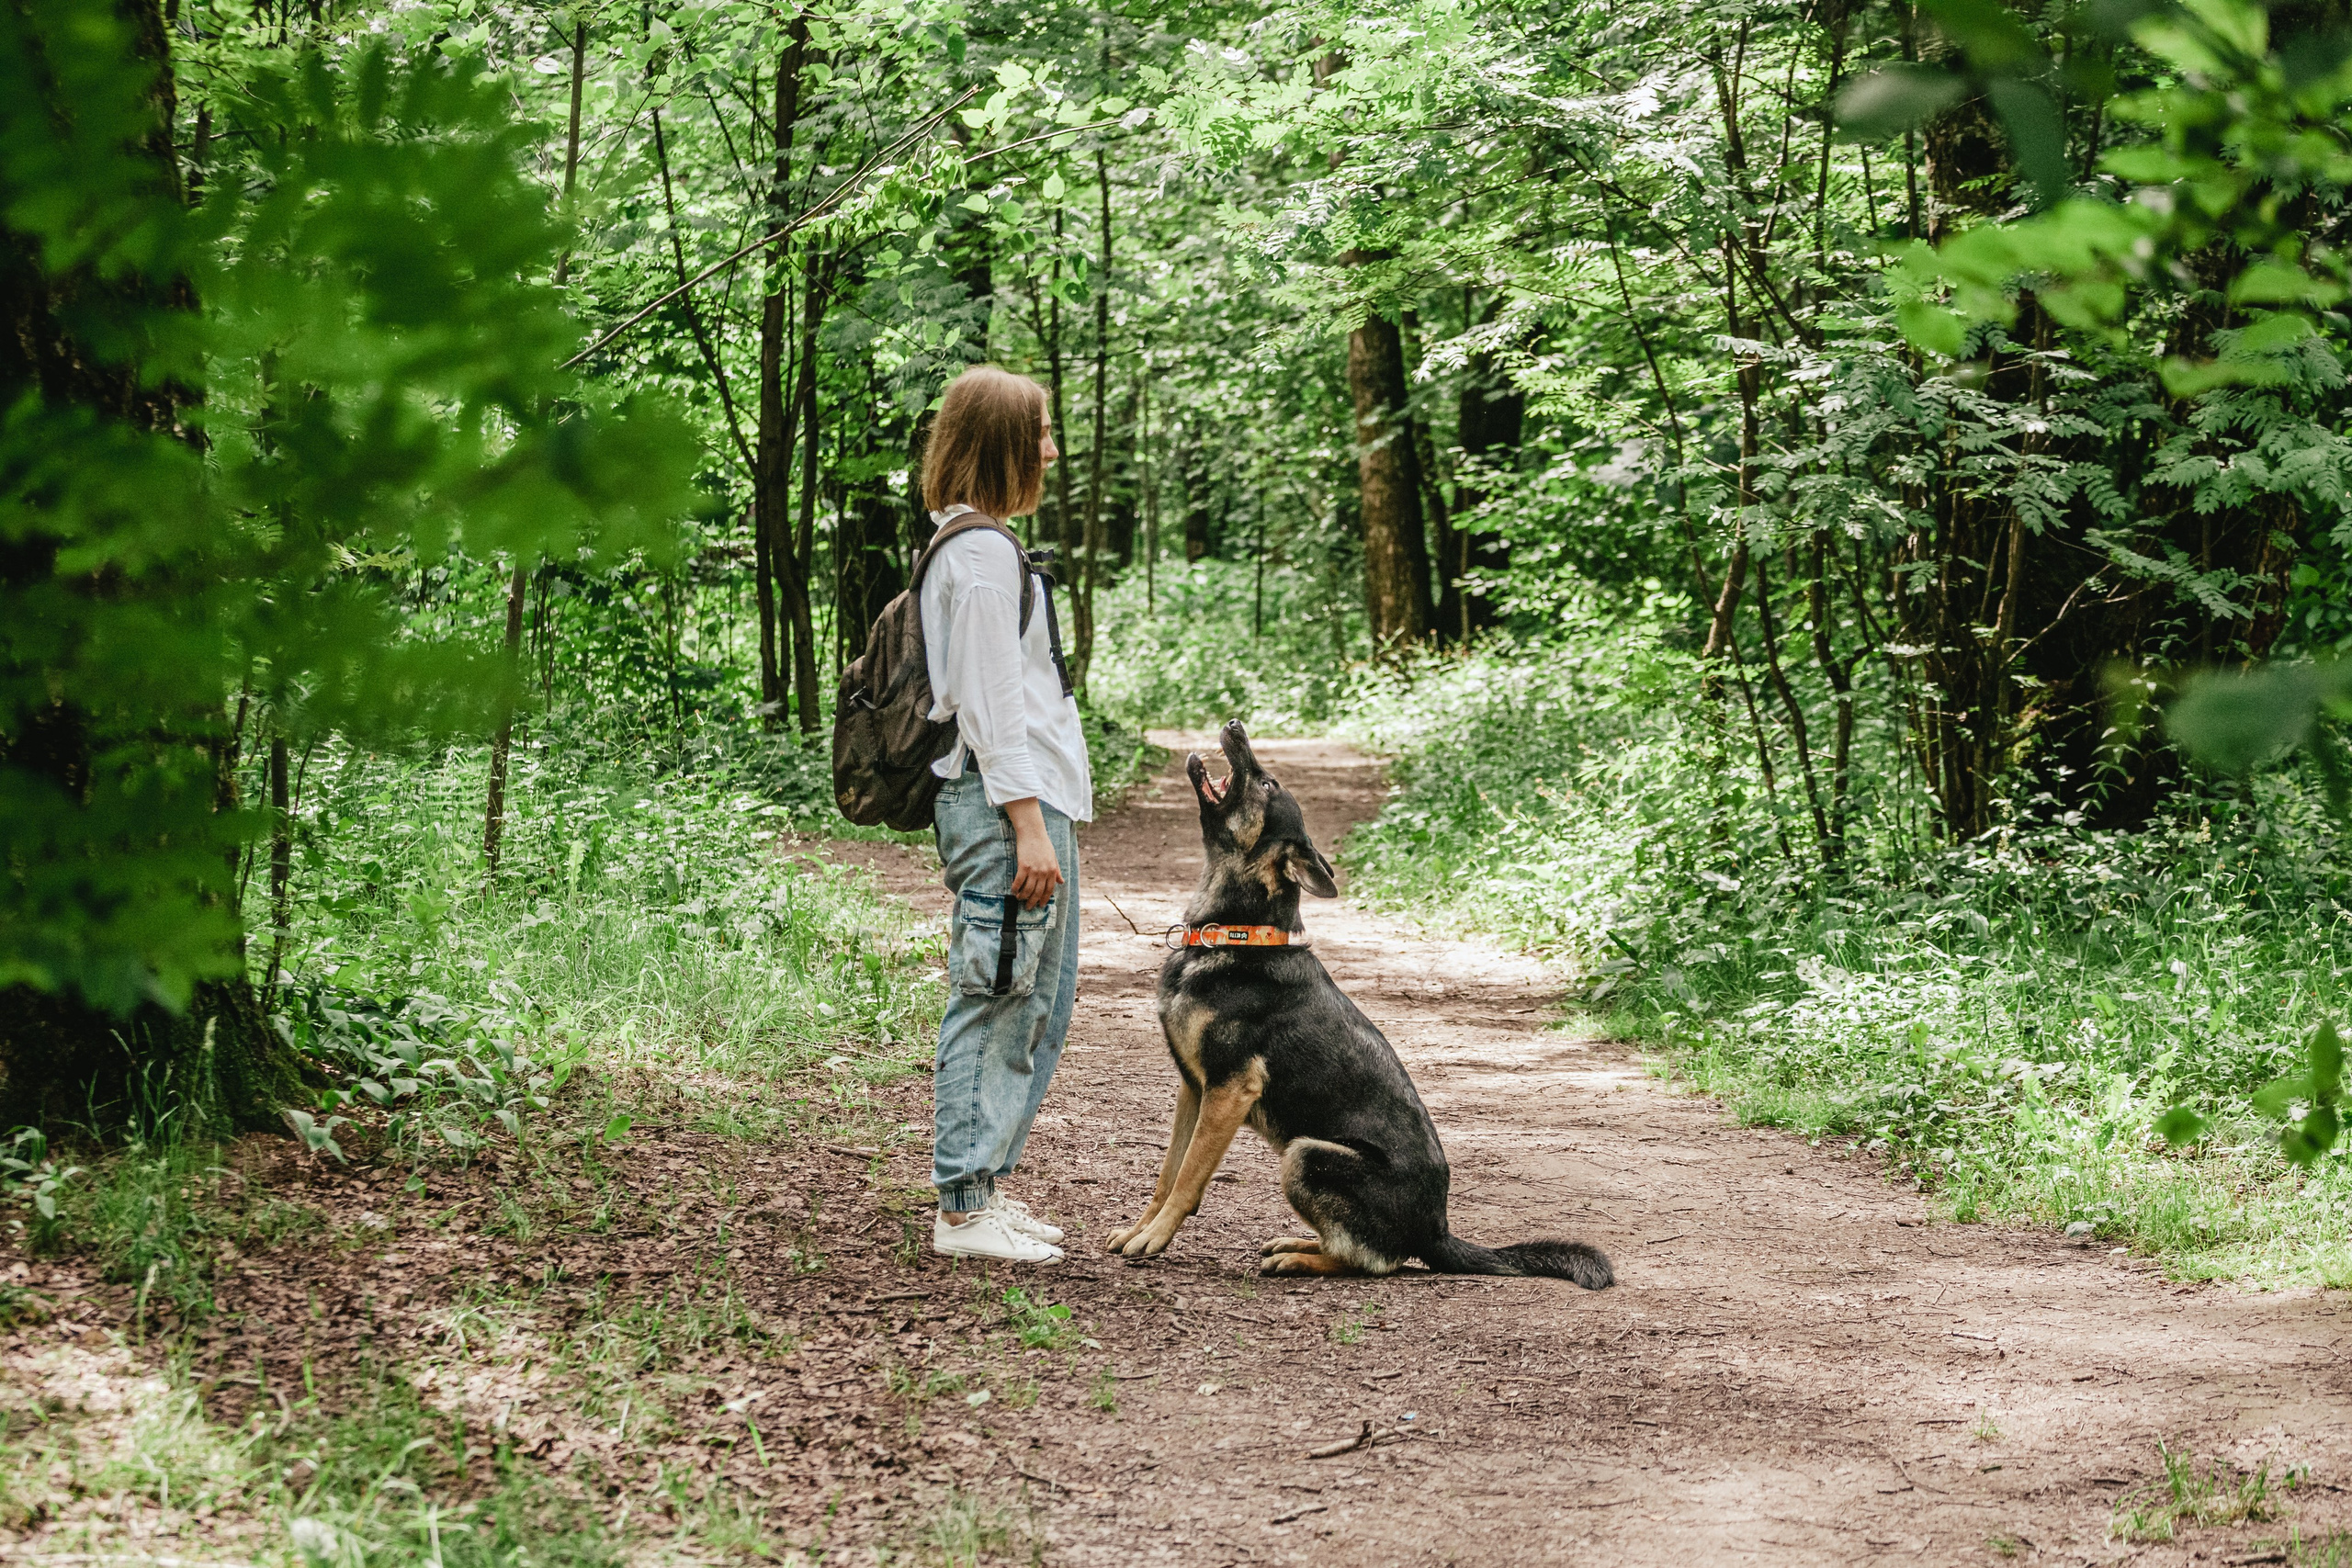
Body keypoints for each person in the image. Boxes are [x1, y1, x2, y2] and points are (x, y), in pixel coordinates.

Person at [919, 366, 1092, 1263]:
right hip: (1003, 809)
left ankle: (982, 1189)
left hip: (1030, 801)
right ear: (1001, 447)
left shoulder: (982, 546)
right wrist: (1026, 822)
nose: (1052, 452)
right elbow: (990, 706)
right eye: (1040, 436)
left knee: (1036, 1000)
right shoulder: (981, 557)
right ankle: (961, 1208)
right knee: (997, 992)